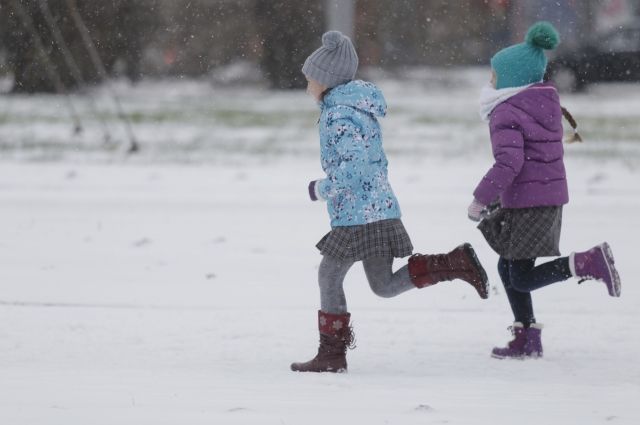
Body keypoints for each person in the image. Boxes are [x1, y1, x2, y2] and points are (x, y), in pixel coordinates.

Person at [291, 30, 489, 373]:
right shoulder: (353, 109)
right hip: (377, 208)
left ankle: (332, 355)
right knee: (382, 285)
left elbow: (352, 170)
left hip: (359, 214)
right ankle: (454, 263)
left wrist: (321, 188)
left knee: (328, 275)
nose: (307, 84)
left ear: (326, 81)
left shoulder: (339, 115)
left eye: (310, 79)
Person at [468, 21, 622, 360]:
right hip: (543, 197)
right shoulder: (541, 103)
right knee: (507, 268)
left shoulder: (506, 111)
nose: (489, 81)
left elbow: (509, 163)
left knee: (520, 276)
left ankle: (586, 262)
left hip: (529, 201)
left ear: (511, 79)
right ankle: (527, 336)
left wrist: (480, 198)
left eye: (494, 75)